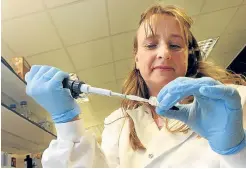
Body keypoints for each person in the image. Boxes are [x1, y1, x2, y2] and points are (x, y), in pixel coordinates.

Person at [25, 5, 246, 168]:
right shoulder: (118, 123)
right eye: (151, 45)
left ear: (188, 58)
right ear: (137, 59)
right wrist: (67, 123)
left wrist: (236, 150)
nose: (164, 53)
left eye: (175, 45)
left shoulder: (232, 103)